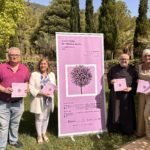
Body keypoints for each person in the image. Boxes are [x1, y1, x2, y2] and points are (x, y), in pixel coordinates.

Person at [0, 47, 30, 150]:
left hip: (18, 102)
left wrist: (27, 88)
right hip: (3, 102)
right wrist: (4, 90)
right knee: (3, 126)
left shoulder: (24, 69)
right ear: (8, 56)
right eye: (12, 55)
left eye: (16, 55)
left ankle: (13, 140)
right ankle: (2, 146)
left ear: (19, 56)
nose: (14, 57)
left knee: (15, 123)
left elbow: (27, 81)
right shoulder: (1, 67)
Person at [107, 53, 138, 135]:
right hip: (115, 94)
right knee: (116, 111)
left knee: (126, 112)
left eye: (126, 59)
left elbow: (136, 83)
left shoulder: (132, 70)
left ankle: (127, 130)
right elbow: (109, 78)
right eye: (122, 59)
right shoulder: (113, 69)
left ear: (128, 60)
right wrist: (111, 81)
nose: (124, 60)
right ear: (119, 60)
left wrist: (131, 88)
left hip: (127, 95)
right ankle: (115, 129)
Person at [29, 58, 56, 144]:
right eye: (41, 64)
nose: (43, 65)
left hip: (48, 99)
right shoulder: (34, 74)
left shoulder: (51, 75)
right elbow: (31, 88)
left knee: (46, 117)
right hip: (39, 99)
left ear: (48, 65)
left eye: (45, 64)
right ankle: (39, 135)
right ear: (39, 65)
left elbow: (53, 85)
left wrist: (54, 89)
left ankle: (44, 133)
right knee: (39, 118)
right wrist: (41, 93)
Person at [136, 48, 150, 139]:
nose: (147, 57)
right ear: (142, 57)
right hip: (142, 92)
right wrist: (138, 81)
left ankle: (149, 134)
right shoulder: (139, 66)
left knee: (147, 113)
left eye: (149, 55)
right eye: (145, 55)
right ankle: (141, 132)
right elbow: (138, 77)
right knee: (141, 112)